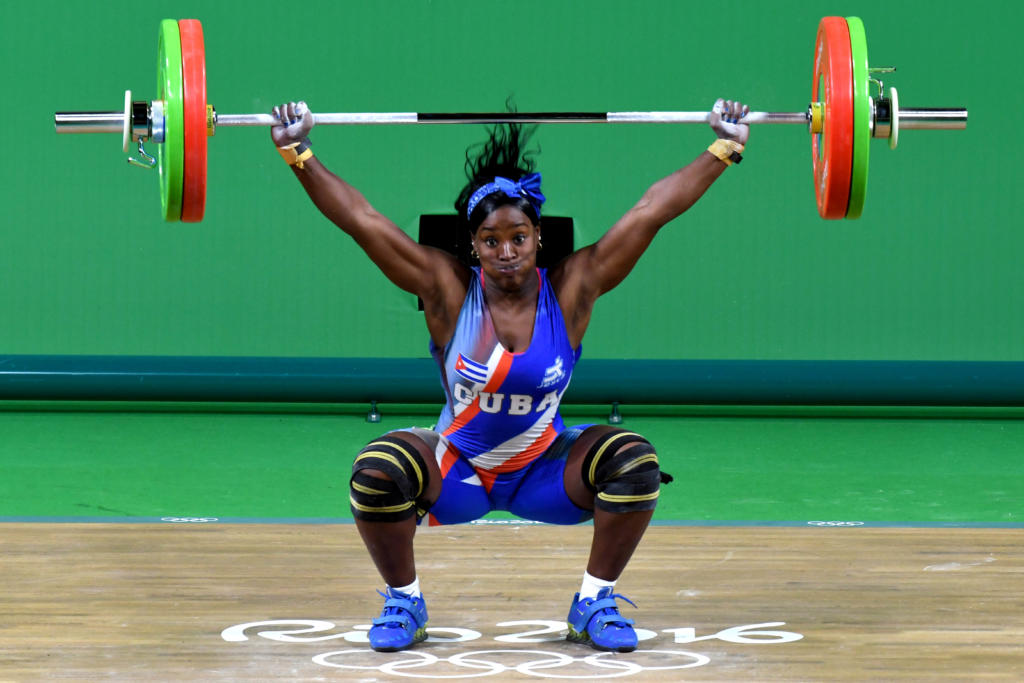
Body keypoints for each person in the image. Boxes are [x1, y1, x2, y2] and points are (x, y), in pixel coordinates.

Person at [269, 98, 750, 653]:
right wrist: (297, 151)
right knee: (378, 469)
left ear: (537, 236)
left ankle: (594, 600)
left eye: (518, 237)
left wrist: (724, 147)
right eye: (490, 241)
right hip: (459, 470)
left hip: (545, 471)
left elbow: (649, 213)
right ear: (472, 245)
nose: (506, 252)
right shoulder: (447, 289)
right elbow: (362, 220)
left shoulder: (571, 289)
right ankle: (405, 600)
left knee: (633, 461)